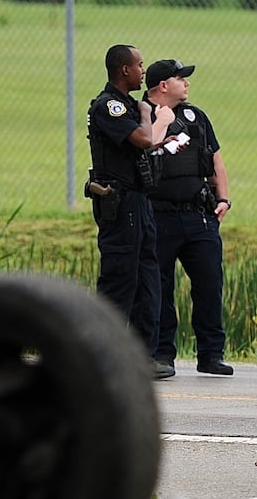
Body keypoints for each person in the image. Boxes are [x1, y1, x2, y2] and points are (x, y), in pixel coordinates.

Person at [143, 58, 233, 378]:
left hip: (199, 215)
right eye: (181, 78)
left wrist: (223, 198)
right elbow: (140, 154)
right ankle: (162, 353)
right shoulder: (140, 115)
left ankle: (211, 354)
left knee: (209, 285)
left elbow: (215, 160)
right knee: (159, 288)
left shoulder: (197, 117)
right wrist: (162, 123)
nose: (187, 83)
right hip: (158, 215)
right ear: (163, 85)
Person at [87, 44, 172, 371]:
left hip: (140, 201)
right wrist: (150, 114)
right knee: (120, 278)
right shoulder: (110, 107)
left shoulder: (127, 105)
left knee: (147, 278)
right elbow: (144, 140)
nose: (142, 70)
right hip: (120, 204)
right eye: (139, 65)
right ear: (125, 69)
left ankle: (141, 355)